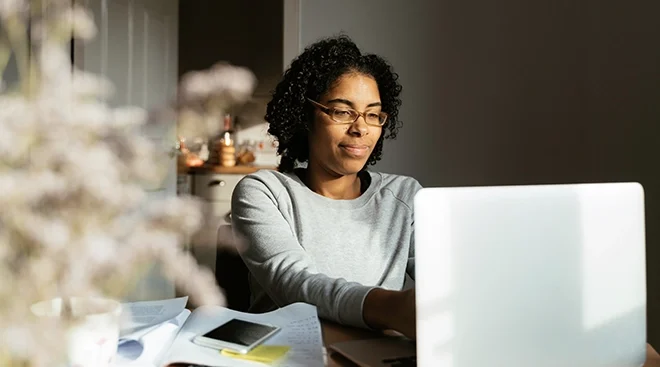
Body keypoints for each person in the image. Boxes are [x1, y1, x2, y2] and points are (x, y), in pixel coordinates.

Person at [231, 35, 421, 339]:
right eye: (342, 111)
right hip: (288, 355)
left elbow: (445, 277)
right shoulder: (264, 192)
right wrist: (390, 308)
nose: (360, 128)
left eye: (373, 114)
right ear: (305, 116)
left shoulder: (406, 196)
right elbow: (295, 283)